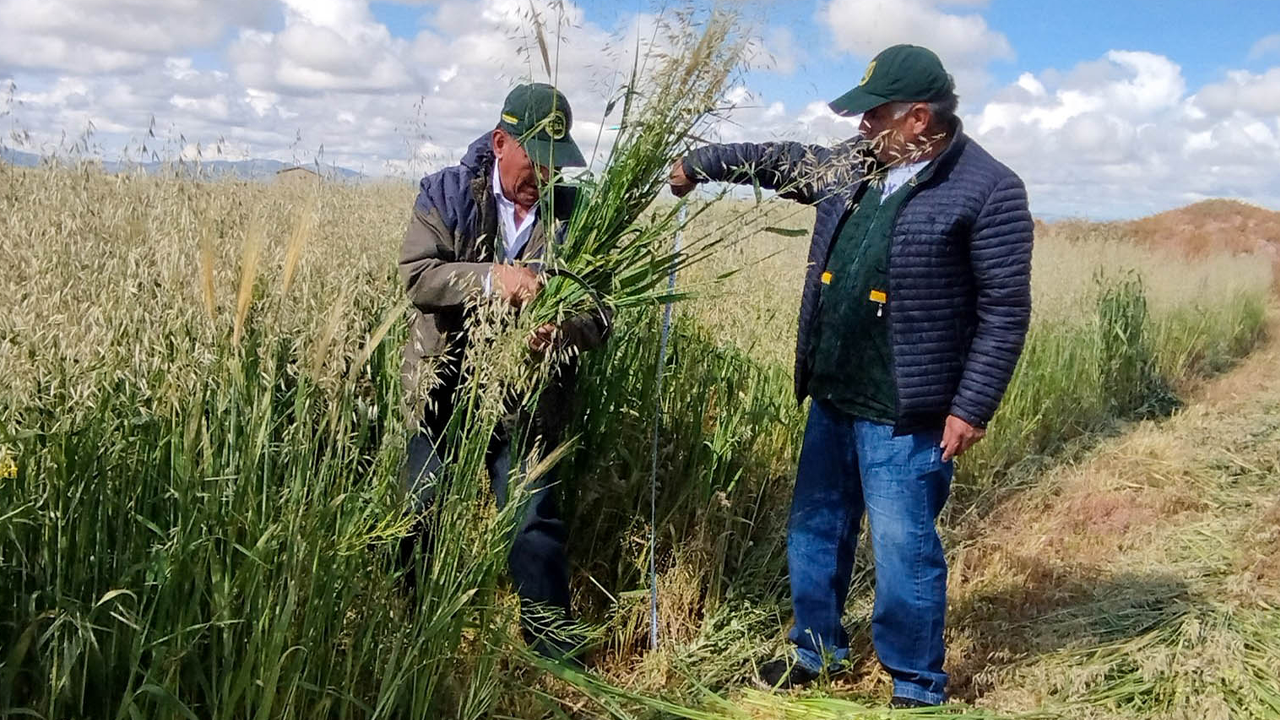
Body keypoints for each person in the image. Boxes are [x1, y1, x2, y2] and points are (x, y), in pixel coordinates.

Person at [669, 44, 1033, 706]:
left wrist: (972, 406)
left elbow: (1005, 312)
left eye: (876, 115)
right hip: (834, 393)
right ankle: (816, 651)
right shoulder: (855, 164)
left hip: (908, 412)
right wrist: (701, 163)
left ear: (920, 117)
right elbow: (780, 160)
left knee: (903, 552)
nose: (862, 126)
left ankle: (917, 685)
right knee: (816, 527)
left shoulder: (988, 190)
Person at [398, 82, 607, 662]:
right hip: (443, 390)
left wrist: (561, 330)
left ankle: (554, 651)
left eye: (555, 164)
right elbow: (418, 277)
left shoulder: (576, 215)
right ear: (500, 142)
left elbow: (601, 313)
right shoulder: (446, 193)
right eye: (535, 160)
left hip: (524, 400)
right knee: (421, 509)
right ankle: (416, 634)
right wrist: (493, 279)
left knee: (532, 518)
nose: (544, 175)